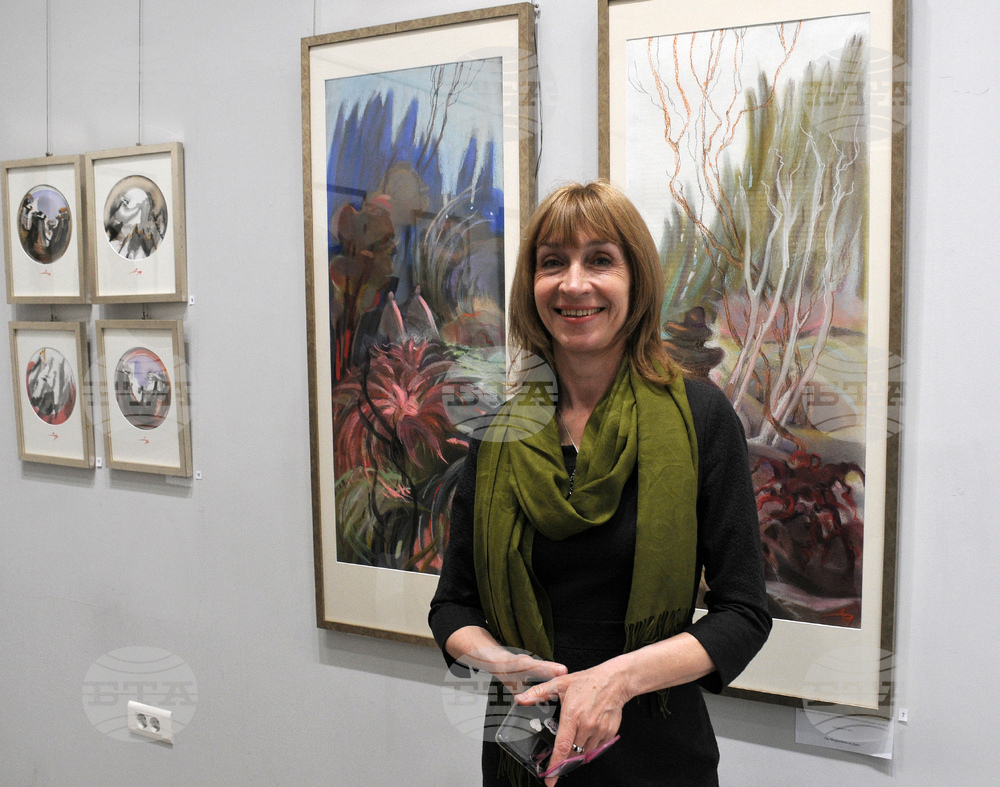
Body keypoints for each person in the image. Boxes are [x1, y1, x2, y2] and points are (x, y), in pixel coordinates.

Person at [428, 181, 771, 786]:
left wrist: (614, 680)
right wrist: (503, 663)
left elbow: (743, 613)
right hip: (524, 752)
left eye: (600, 260)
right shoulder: (499, 434)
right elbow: (453, 605)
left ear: (636, 281)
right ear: (531, 285)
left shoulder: (701, 419)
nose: (574, 283)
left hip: (657, 759)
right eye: (552, 262)